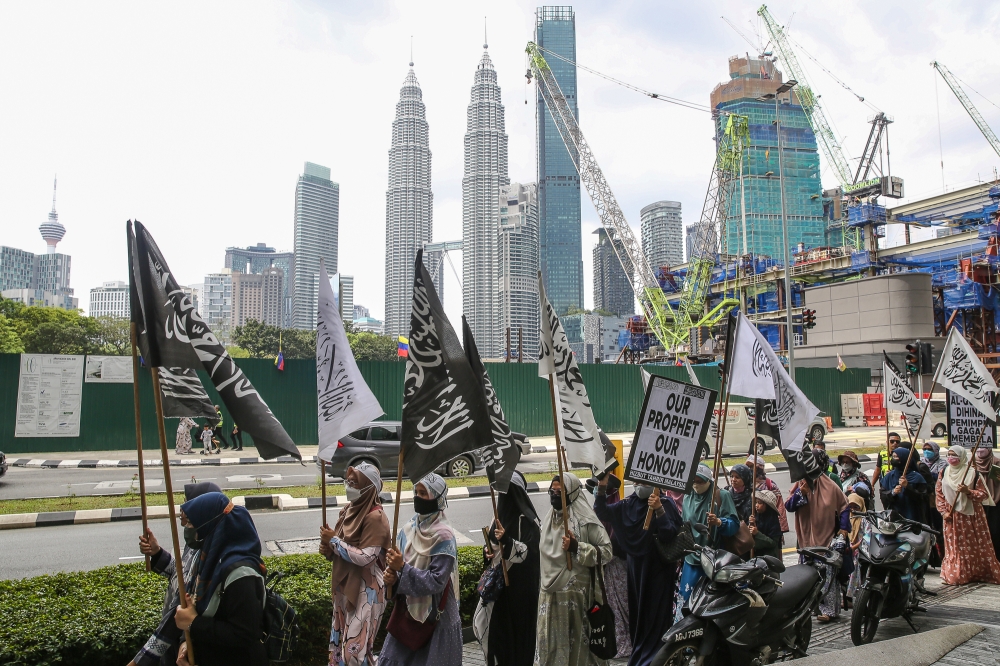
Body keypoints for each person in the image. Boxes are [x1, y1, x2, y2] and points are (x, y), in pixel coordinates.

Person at [128, 482, 222, 666]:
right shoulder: (193, 541)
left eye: (188, 503)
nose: (182, 509)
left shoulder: (207, 554)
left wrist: (139, 662)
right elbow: (178, 573)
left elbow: (175, 613)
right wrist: (157, 554)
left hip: (183, 645)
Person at [173, 491, 268, 666]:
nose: (189, 529)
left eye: (193, 523)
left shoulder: (241, 574)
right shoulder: (209, 561)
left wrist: (193, 624)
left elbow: (244, 634)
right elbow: (196, 613)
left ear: (210, 525)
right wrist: (186, 642)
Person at [594, 476, 682, 666]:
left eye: (644, 483)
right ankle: (641, 652)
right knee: (639, 613)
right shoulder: (629, 504)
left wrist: (659, 510)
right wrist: (601, 488)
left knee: (656, 613)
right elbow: (602, 512)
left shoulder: (666, 503)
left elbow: (669, 534)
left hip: (658, 569)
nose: (639, 487)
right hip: (636, 569)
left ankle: (657, 657)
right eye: (637, 483)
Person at [379, 473, 462, 666]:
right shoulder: (408, 529)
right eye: (416, 492)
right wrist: (393, 579)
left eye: (424, 493)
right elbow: (396, 573)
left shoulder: (444, 536)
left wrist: (402, 568)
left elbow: (437, 581)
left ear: (437, 497)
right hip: (407, 616)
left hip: (436, 621)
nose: (418, 497)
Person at [535, 472, 613, 666]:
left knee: (579, 653)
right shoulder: (548, 521)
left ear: (571, 493)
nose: (554, 495)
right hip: (550, 598)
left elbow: (607, 552)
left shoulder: (585, 521)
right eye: (551, 491)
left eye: (559, 492)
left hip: (577, 601)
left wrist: (577, 547)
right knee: (552, 649)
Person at [319, 462, 392, 666]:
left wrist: (334, 542)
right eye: (348, 481)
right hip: (345, 587)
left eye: (355, 483)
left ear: (369, 488)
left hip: (366, 591)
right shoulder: (348, 511)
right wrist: (329, 550)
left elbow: (366, 557)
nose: (349, 487)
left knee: (354, 653)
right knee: (341, 649)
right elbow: (342, 550)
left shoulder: (376, 517)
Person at [473, 471, 540, 666]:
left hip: (519, 596)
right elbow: (492, 549)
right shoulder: (498, 518)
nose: (503, 498)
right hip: (499, 594)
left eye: (507, 492)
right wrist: (488, 552)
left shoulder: (528, 523)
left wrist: (508, 542)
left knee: (516, 643)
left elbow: (532, 555)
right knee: (495, 639)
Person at [785, 449, 849, 622]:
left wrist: (843, 529)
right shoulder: (801, 484)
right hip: (806, 541)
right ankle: (809, 608)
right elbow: (789, 506)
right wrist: (802, 494)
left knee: (827, 576)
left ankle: (829, 610)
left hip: (826, 539)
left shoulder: (830, 485)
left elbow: (844, 506)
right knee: (807, 576)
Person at [678, 465, 739, 617]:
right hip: (692, 559)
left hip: (714, 559)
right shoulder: (688, 496)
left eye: (700, 481)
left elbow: (734, 525)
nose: (696, 484)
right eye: (693, 481)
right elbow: (684, 524)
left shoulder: (721, 495)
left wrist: (719, 522)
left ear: (708, 481)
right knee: (687, 600)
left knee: (712, 603)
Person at [936, 445, 1000, 585]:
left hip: (971, 516)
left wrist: (968, 492)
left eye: (955, 455)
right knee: (956, 546)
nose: (951, 458)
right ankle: (957, 573)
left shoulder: (972, 473)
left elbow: (983, 494)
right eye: (949, 455)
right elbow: (939, 494)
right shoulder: (944, 472)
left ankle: (978, 571)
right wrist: (943, 512)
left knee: (974, 545)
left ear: (962, 457)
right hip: (952, 516)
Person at [588, 474, 631, 660]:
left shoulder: (617, 509)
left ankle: (626, 642)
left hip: (619, 565)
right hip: (605, 567)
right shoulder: (596, 511)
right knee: (611, 604)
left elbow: (619, 541)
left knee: (622, 603)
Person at [879, 447, 928, 522]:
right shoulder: (889, 476)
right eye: (893, 456)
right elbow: (883, 494)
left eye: (896, 457)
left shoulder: (917, 477)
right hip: (894, 517)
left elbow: (922, 498)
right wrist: (893, 492)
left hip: (912, 516)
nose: (893, 459)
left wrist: (907, 487)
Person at [746, 455, 790, 536]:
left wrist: (780, 531)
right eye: (748, 467)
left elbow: (780, 507)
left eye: (752, 466)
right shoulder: (746, 485)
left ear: (759, 468)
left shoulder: (770, 485)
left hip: (768, 527)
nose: (749, 469)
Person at [973, 445, 1000, 561]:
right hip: (977, 502)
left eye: (983, 447)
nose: (980, 450)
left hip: (996, 501)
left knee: (994, 531)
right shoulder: (971, 463)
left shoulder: (997, 463)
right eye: (978, 447)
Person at [845, 493, 866, 607]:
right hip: (847, 549)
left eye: (856, 507)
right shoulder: (846, 519)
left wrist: (853, 547)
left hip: (858, 551)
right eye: (850, 506)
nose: (853, 510)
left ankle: (851, 597)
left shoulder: (864, 521)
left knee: (855, 567)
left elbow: (865, 539)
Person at [748, 489, 783, 560]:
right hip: (756, 556)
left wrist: (757, 534)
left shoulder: (773, 520)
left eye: (759, 503)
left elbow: (772, 543)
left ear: (767, 506)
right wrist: (751, 524)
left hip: (769, 558)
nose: (756, 505)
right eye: (756, 502)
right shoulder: (756, 516)